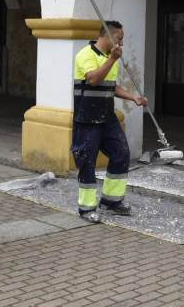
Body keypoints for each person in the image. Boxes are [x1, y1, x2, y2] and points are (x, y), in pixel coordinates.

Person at [72, 20, 147, 223]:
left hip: (107, 117)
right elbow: (93, 79)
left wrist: (133, 97)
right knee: (87, 160)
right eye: (119, 39)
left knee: (121, 153)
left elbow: (111, 86)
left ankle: (112, 201)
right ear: (107, 35)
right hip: (87, 118)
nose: (121, 44)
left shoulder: (109, 58)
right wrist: (112, 59)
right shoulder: (85, 55)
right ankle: (86, 208)